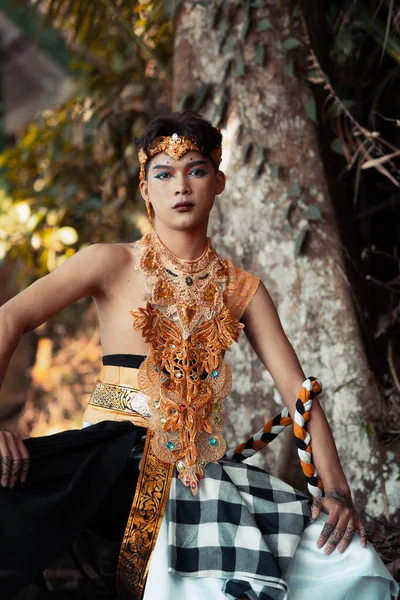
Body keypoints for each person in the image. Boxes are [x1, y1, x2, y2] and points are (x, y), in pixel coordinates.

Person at [0, 110, 397, 600]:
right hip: (113, 466)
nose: (180, 186)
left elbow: (300, 392)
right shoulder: (110, 262)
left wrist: (335, 491)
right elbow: (7, 320)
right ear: (145, 189)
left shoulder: (242, 288)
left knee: (348, 561)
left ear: (219, 182)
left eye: (197, 170)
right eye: (164, 174)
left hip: (201, 474)